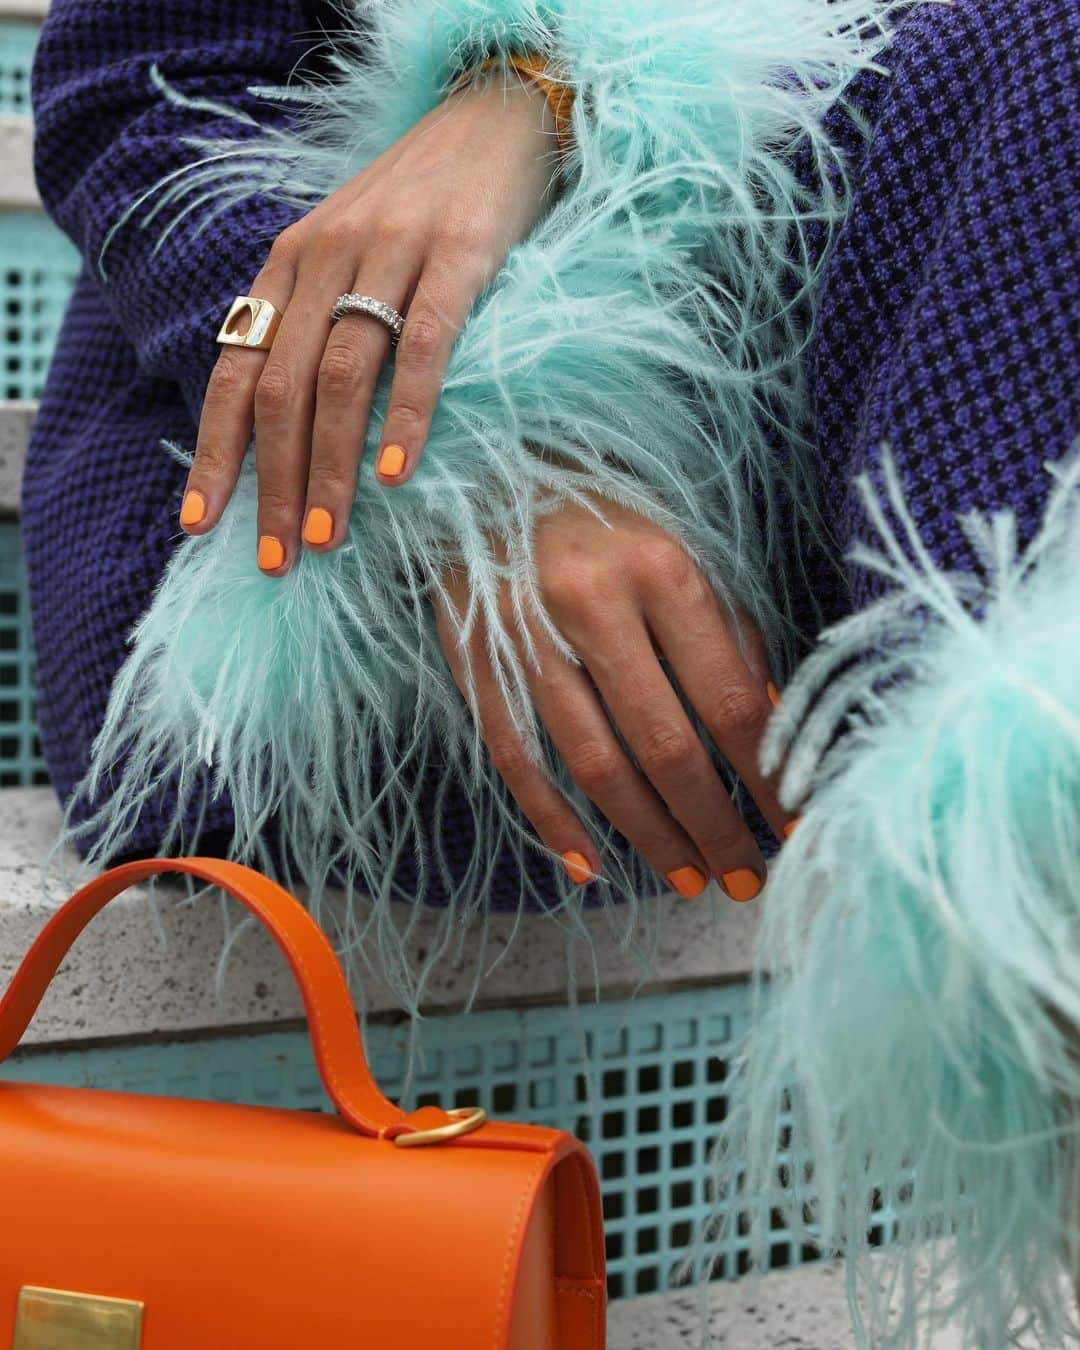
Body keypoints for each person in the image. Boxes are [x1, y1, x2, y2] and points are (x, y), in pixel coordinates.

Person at [25, 0, 1079, 1344]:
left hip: (792, 556)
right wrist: (485, 455)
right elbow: (138, 91)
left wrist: (535, 98)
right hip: (269, 555)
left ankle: (1022, 859)